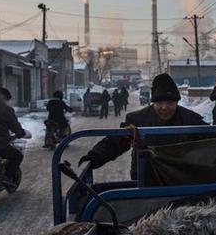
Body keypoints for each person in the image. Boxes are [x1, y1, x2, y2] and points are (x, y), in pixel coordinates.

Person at [79, 73, 207, 177]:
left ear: (177, 102)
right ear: (153, 102)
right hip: (145, 183)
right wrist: (94, 157)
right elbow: (116, 142)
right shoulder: (137, 120)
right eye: (159, 102)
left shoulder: (191, 120)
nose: (164, 107)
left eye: (170, 102)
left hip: (180, 182)